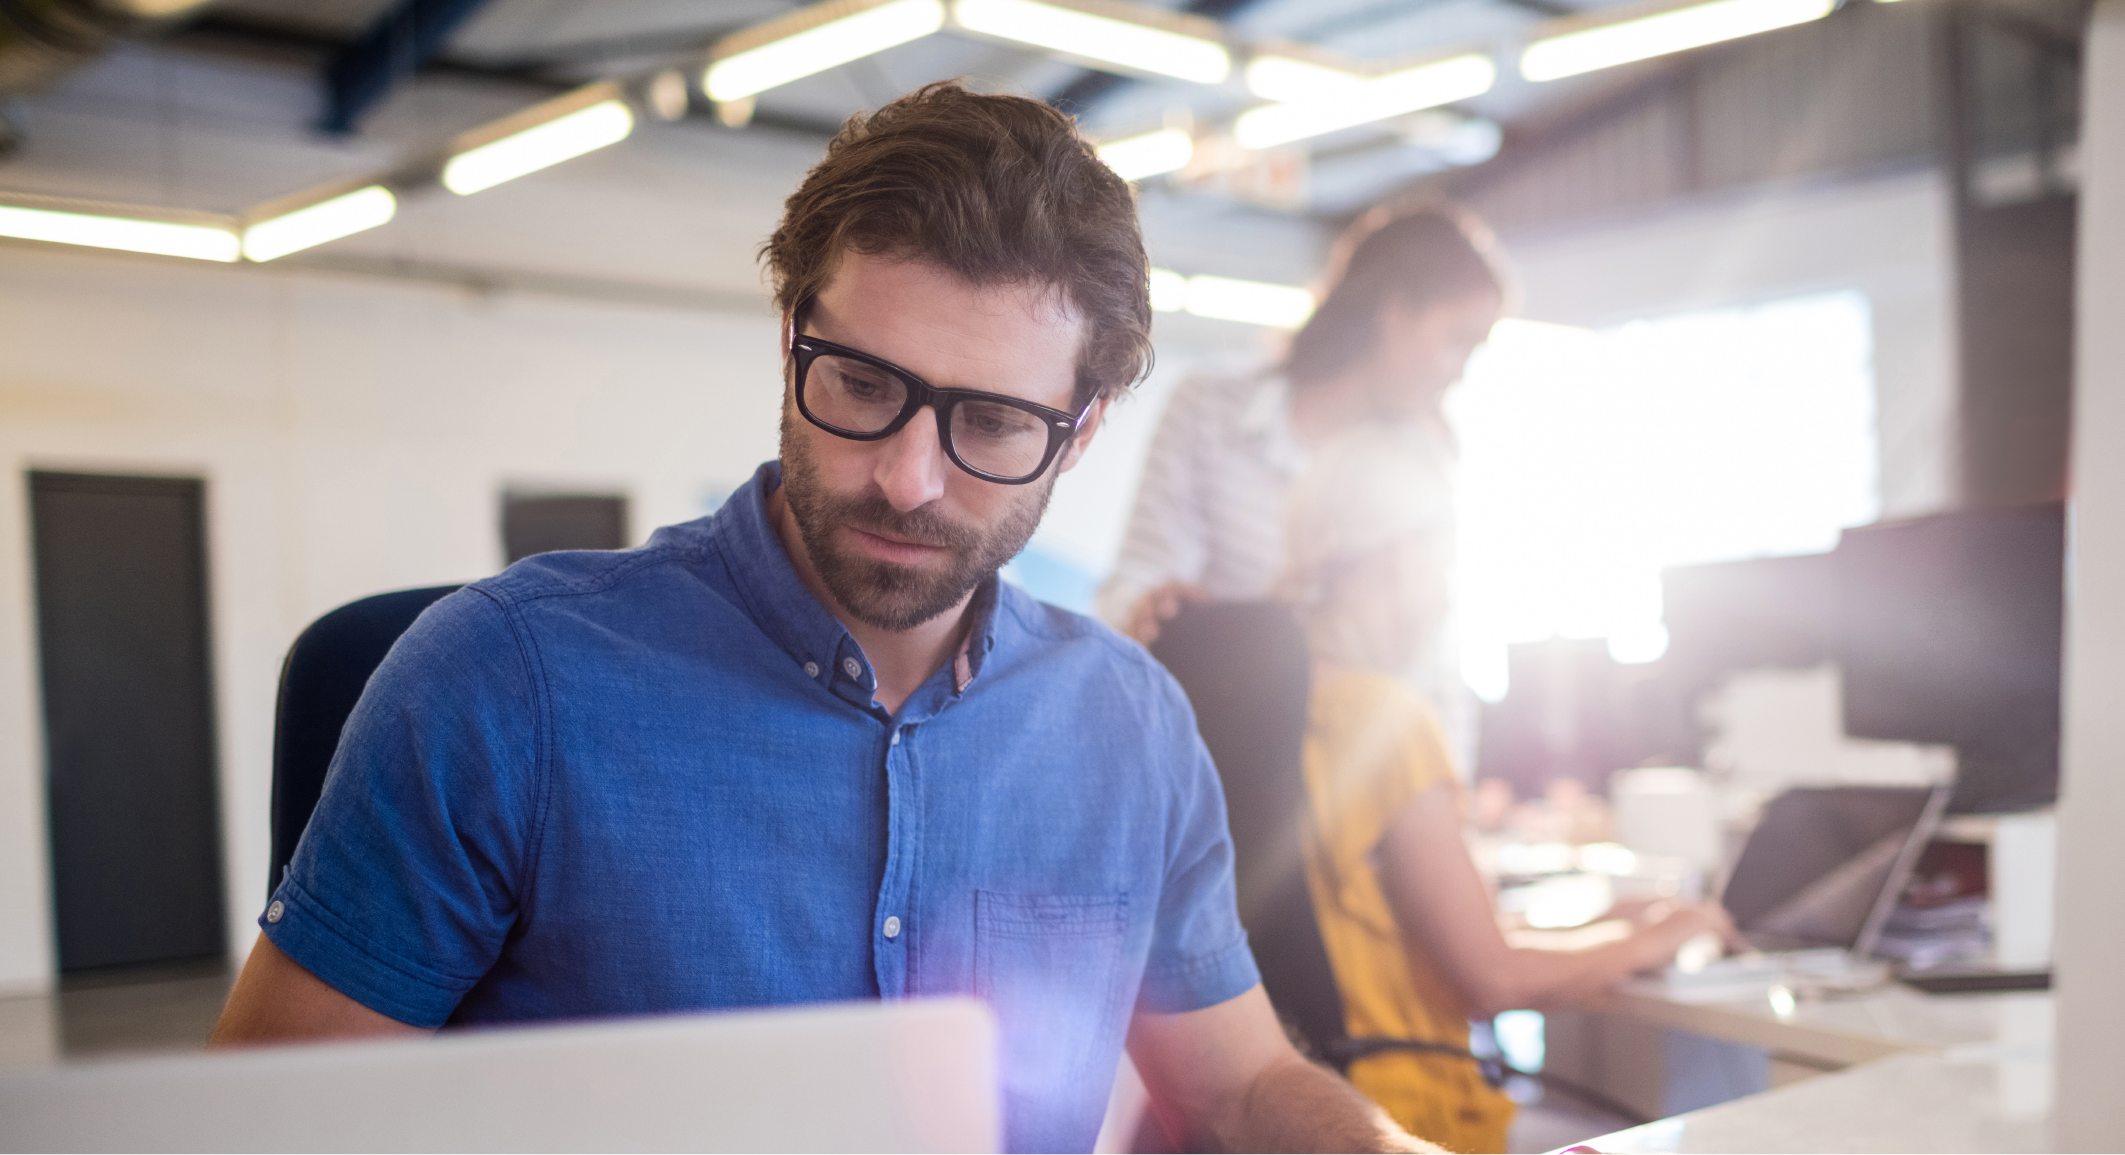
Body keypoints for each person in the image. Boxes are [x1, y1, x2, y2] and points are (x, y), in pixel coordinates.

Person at [205, 83, 1527, 1155]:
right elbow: (256, 1136)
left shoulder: (1130, 725)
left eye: (994, 421)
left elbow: (1239, 1088)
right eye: (860, 382)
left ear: (1080, 432)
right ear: (790, 334)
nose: (908, 474)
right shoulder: (500, 683)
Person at [1274, 429, 1741, 1155]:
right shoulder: (1382, 719)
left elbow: (1406, 938)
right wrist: (1665, 932)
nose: (1447, 589)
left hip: (1305, 1104)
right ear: (1403, 554)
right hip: (1403, 1116)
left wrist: (1608, 931)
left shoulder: (1274, 707)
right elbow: (1490, 978)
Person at [1097, 205, 1507, 764]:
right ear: (1394, 312)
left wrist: (1446, 796)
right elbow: (1137, 581)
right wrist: (1150, 609)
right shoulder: (1210, 411)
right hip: (1230, 763)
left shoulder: (1426, 460)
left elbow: (1437, 659)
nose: (1460, 372)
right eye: (1458, 340)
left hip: (1363, 775)